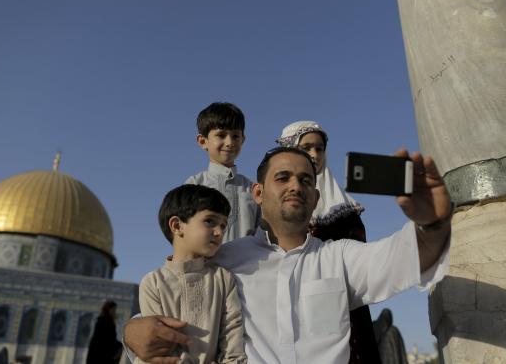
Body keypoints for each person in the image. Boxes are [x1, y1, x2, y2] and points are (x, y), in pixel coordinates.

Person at [124, 147, 452, 364]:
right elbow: (174, 287)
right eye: (283, 178)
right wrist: (131, 331)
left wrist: (432, 223)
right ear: (258, 193)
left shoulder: (339, 259)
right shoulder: (225, 259)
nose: (295, 185)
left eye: (305, 180)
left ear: (316, 197)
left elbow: (409, 257)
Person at [276, 120, 378, 363]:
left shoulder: (343, 208)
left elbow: (360, 266)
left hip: (343, 311)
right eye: (307, 147)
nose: (314, 154)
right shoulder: (275, 207)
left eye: (319, 148)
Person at [137, 184, 247, 364]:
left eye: (223, 226)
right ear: (177, 225)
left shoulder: (223, 279)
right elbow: (160, 345)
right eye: (210, 221)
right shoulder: (153, 283)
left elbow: (233, 337)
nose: (219, 232)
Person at [185, 102, 261, 243]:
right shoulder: (195, 185)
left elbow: (261, 232)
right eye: (221, 135)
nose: (229, 142)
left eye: (235, 136)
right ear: (203, 141)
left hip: (249, 263)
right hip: (206, 264)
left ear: (243, 139)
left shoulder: (251, 188)